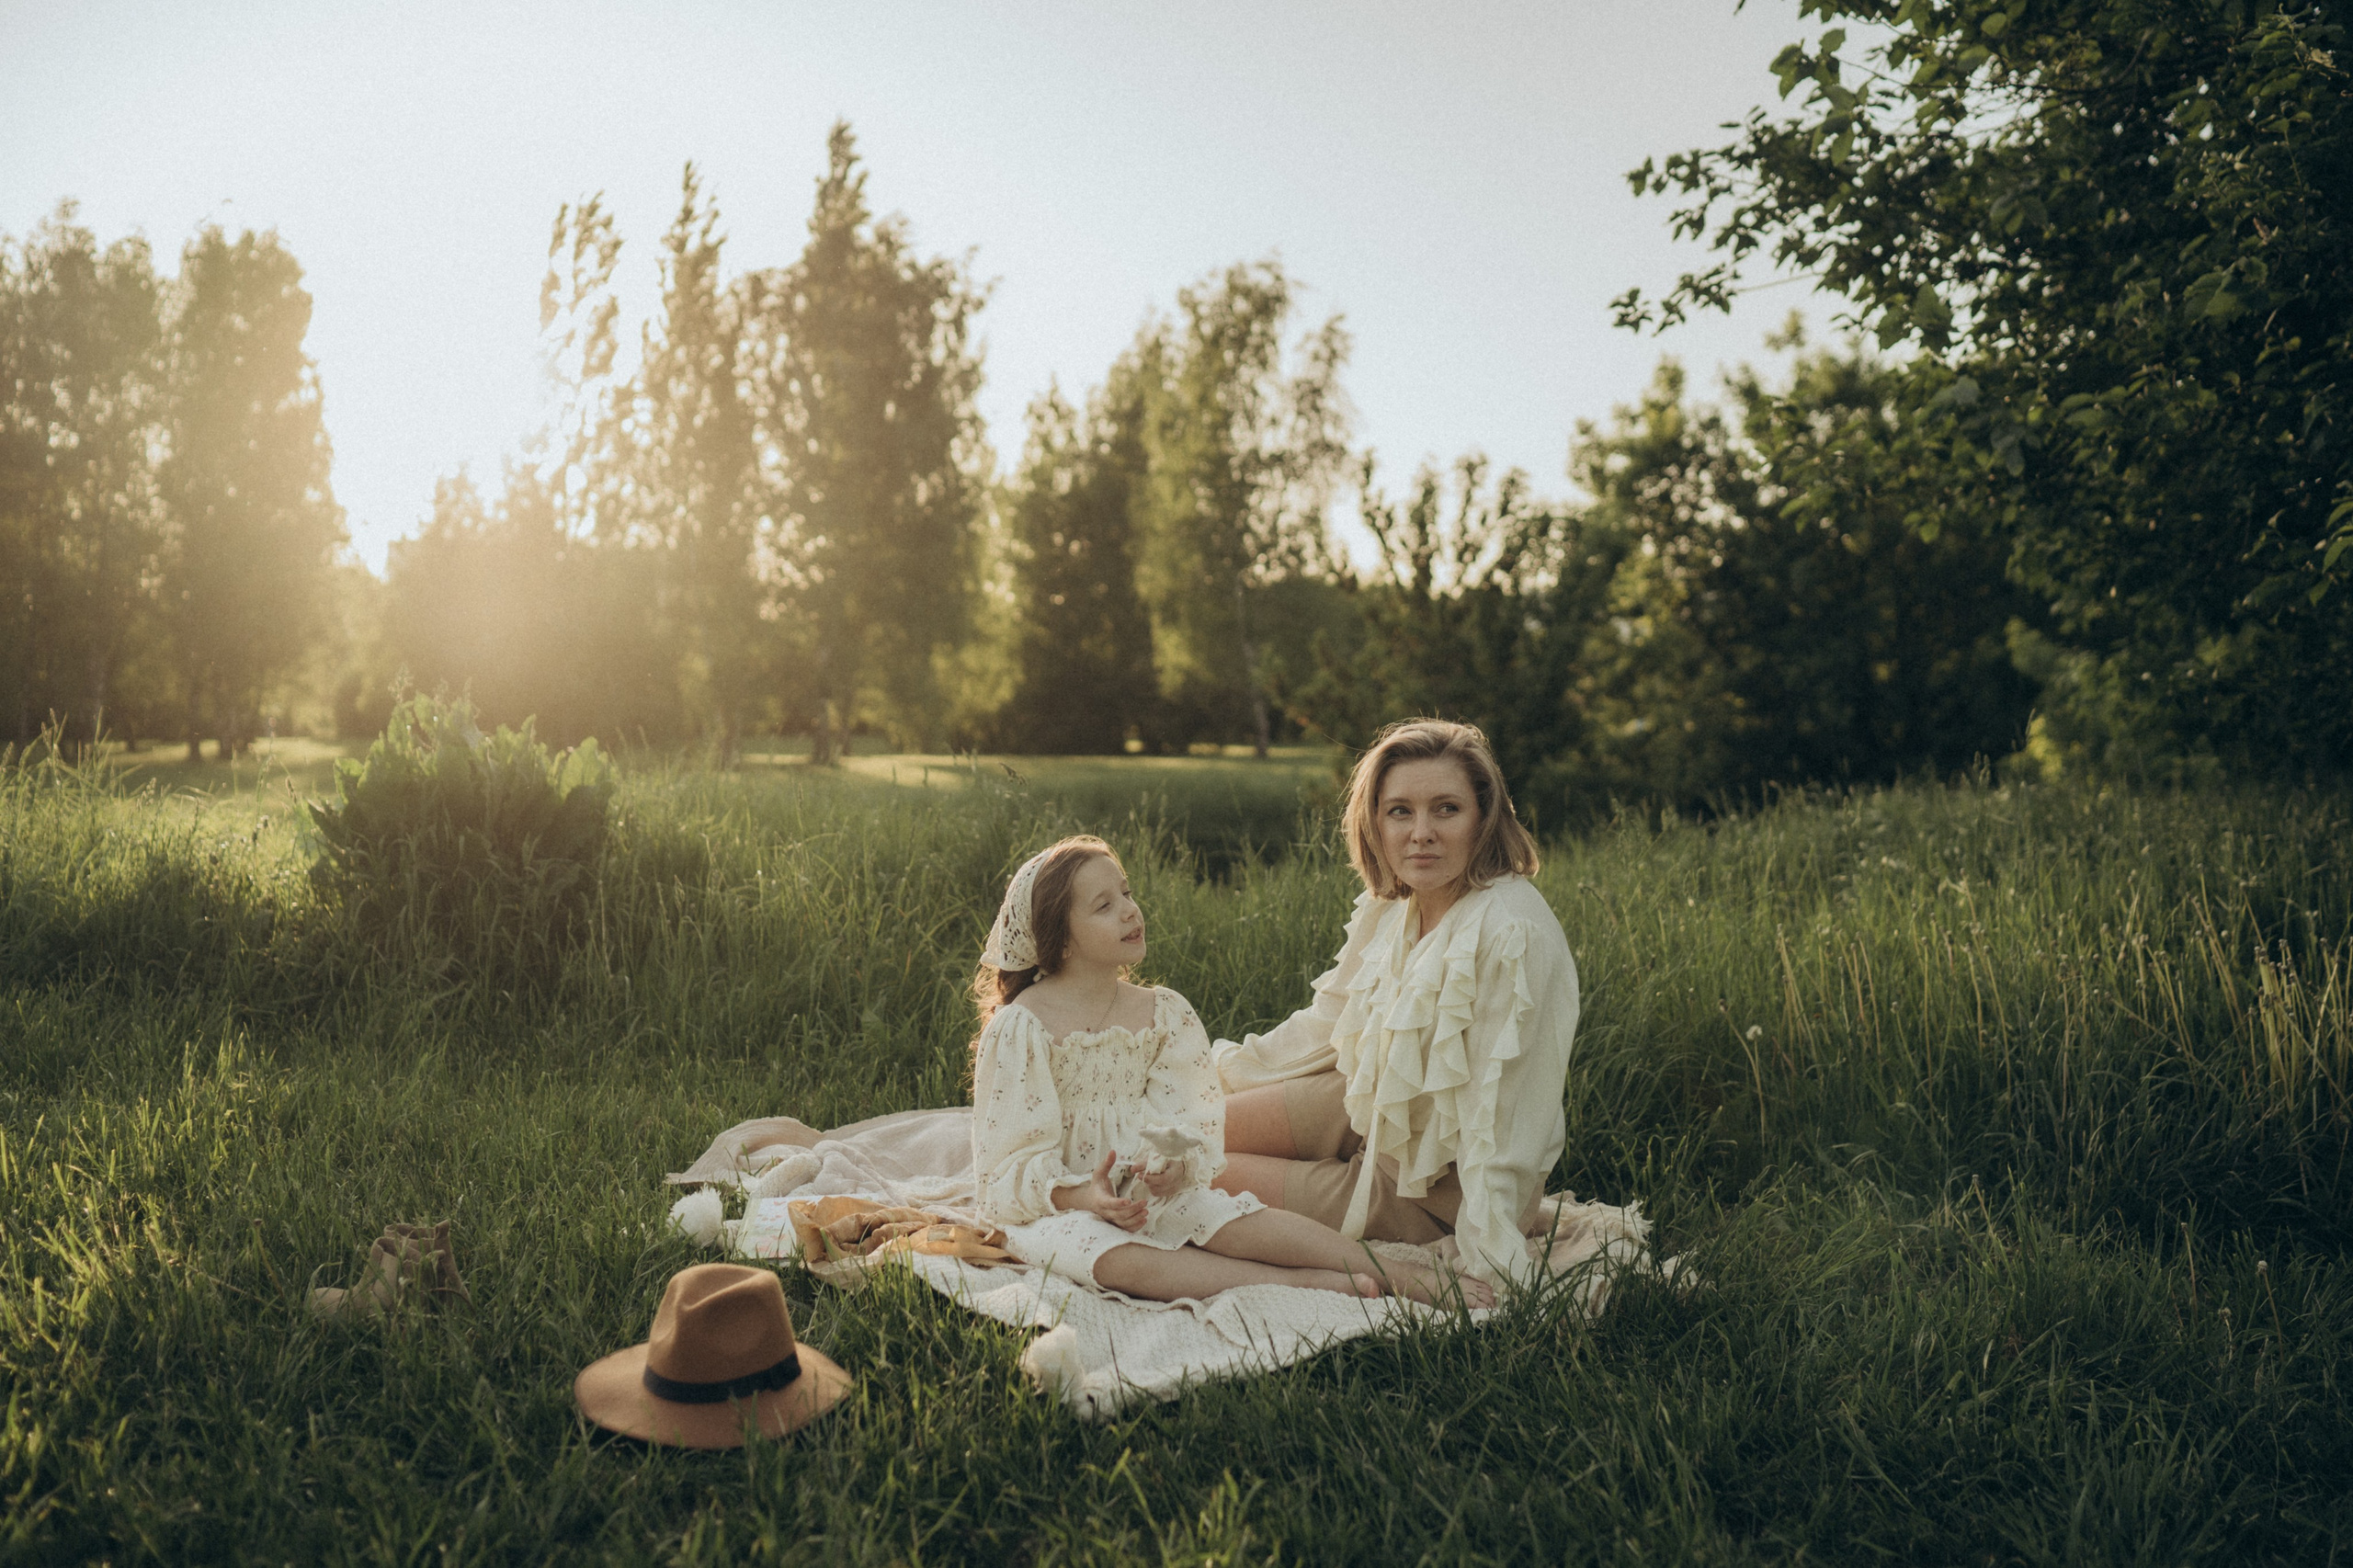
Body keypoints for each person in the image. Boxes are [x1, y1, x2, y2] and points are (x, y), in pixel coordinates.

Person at [970, 835, 1488, 1307]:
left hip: (1144, 1189)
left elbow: (1187, 1116)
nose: (1131, 912)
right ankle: (1291, 1284)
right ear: (1059, 938)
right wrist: (1086, 1196)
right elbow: (1008, 1163)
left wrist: (1169, 1164)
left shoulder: (1163, 1011)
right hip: (1056, 1207)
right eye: (1105, 906)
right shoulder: (1023, 1027)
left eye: (1127, 894)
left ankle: (1396, 1273)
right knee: (1114, 1257)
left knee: (1236, 1217)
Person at [1211, 719, 1579, 1289]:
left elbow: (1505, 1112)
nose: (1421, 833)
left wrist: (1491, 1252)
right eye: (1400, 811)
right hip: (1368, 1105)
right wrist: (1204, 1078)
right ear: (1374, 821)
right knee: (1180, 1128)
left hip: (1431, 1190)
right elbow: (1323, 1026)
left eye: (1447, 809)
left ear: (1484, 817)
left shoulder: (1511, 935)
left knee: (1188, 1174)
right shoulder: (1394, 904)